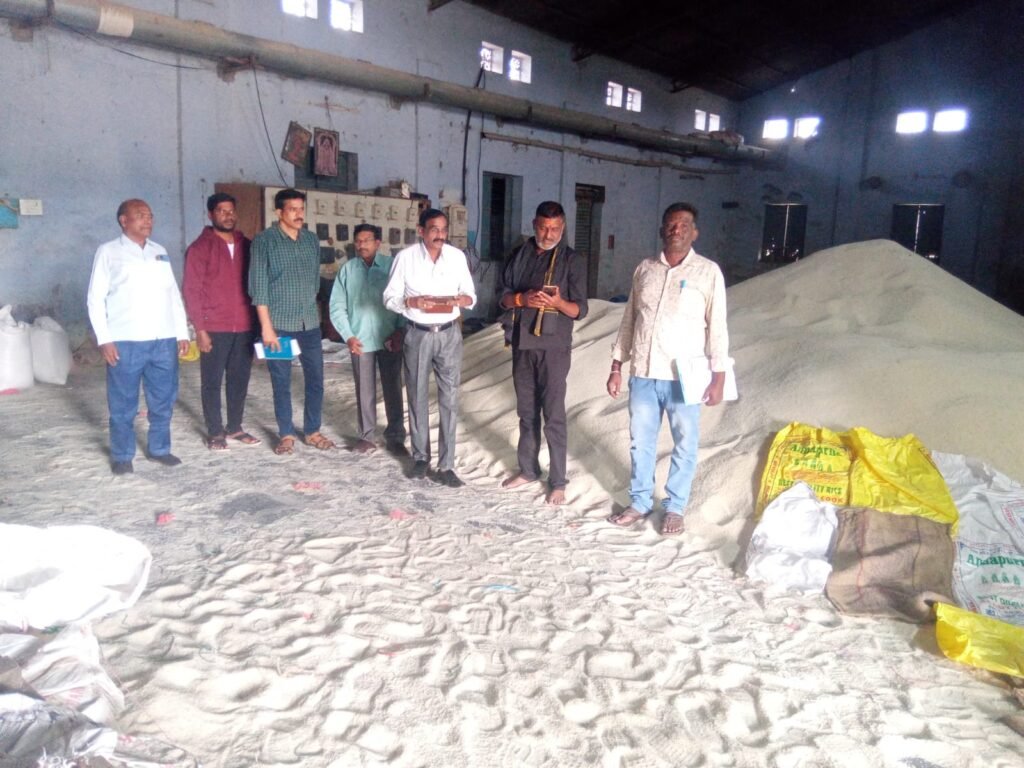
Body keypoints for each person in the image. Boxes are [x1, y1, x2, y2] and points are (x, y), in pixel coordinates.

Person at [606, 202, 729, 536]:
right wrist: (617, 365)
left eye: (684, 225)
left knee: (685, 443)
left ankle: (675, 508)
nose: (677, 230)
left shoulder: (707, 272)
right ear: (662, 230)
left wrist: (719, 376)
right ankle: (640, 501)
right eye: (672, 225)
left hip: (684, 377)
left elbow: (717, 327)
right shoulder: (645, 269)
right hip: (644, 373)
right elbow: (630, 320)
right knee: (640, 442)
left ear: (694, 232)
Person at [86, 199, 190, 474]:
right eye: (141, 215)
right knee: (123, 403)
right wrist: (104, 339)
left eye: (150, 216)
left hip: (163, 339)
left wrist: (181, 331)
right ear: (124, 220)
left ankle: (159, 449)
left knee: (163, 399)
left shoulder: (159, 251)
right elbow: (95, 298)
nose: (148, 220)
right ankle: (122, 455)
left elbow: (172, 294)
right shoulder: (109, 251)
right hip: (125, 340)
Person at [497, 201, 588, 505]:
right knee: (526, 412)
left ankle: (558, 481)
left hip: (554, 349)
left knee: (553, 415)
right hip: (522, 344)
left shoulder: (572, 260)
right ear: (534, 224)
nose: (549, 234)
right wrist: (522, 300)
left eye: (555, 228)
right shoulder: (519, 254)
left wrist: (558, 303)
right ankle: (528, 470)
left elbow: (580, 310)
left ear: (563, 227)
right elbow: (502, 298)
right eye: (544, 227)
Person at [383, 208, 476, 487]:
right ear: (421, 230)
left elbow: (471, 295)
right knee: (417, 395)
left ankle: (446, 466)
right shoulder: (406, 258)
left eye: (444, 230)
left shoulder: (457, 257)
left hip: (449, 334)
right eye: (434, 229)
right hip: (418, 333)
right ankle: (421, 458)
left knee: (450, 398)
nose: (440, 235)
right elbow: (389, 297)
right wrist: (410, 302)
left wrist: (461, 299)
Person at [249, 188, 335, 455]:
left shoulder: (311, 240)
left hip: (309, 324)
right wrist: (267, 328)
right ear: (279, 212)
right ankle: (286, 433)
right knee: (281, 381)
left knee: (316, 380)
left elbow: (314, 282)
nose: (299, 214)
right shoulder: (264, 241)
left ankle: (312, 431)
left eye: (301, 209)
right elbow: (259, 287)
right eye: (292, 209)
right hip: (279, 325)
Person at [182, 192, 260, 451]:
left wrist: (259, 327)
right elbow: (191, 290)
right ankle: (215, 431)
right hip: (214, 326)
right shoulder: (199, 248)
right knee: (212, 381)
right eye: (222, 211)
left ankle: (235, 427)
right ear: (210, 214)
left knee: (239, 379)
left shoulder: (248, 246)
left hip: (245, 325)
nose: (228, 216)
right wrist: (200, 329)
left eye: (231, 211)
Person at [329, 224, 407, 455]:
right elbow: (337, 306)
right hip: (360, 338)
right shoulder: (348, 270)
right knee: (364, 388)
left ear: (378, 243)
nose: (362, 245)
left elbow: (404, 299)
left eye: (367, 240)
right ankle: (366, 436)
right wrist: (348, 336)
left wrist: (400, 330)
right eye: (358, 241)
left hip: (389, 337)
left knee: (393, 387)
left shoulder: (392, 267)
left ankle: (395, 436)